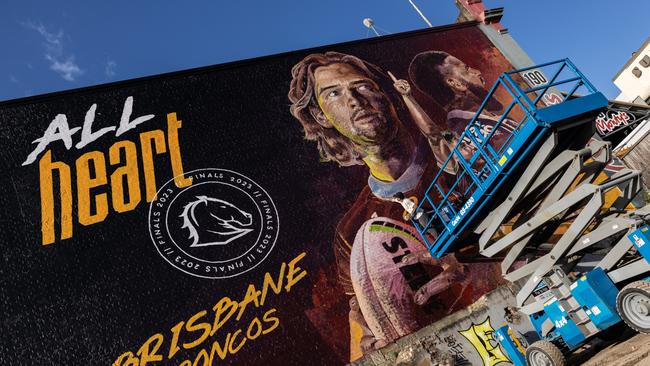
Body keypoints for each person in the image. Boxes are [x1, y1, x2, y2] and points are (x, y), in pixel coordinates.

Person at [288, 52, 502, 358]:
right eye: (334, 93)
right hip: (463, 347)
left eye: (362, 87)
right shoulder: (354, 231)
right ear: (322, 116)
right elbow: (358, 314)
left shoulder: (456, 151)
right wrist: (369, 341)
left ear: (386, 94)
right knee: (373, 244)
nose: (354, 100)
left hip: (519, 297)